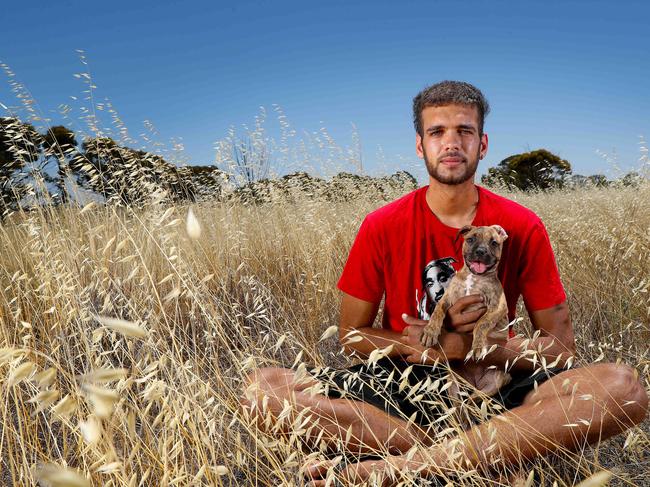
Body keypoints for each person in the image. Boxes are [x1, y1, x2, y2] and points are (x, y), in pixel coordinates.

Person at [240, 81, 648, 485]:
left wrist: (478, 348)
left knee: (621, 386)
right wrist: (421, 348)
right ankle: (483, 455)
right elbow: (351, 335)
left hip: (496, 384)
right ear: (421, 145)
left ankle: (396, 468)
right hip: (404, 385)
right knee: (262, 392)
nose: (451, 143)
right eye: (437, 132)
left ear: (482, 144)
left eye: (464, 131)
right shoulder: (382, 225)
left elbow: (559, 350)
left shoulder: (521, 225)